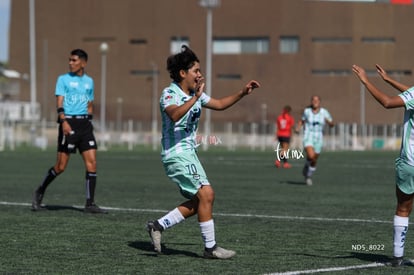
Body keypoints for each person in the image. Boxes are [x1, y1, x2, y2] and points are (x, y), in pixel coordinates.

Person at [146, 45, 260, 259]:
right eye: (195, 70)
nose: (200, 74)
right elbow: (174, 115)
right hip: (176, 154)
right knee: (207, 194)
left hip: (189, 154)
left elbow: (218, 104)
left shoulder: (194, 94)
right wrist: (195, 98)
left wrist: (242, 93)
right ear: (183, 73)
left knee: (201, 201)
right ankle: (210, 249)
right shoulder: (170, 93)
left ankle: (158, 226)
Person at [31, 49, 107, 214]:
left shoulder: (89, 81)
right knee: (60, 166)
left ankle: (90, 203)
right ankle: (39, 190)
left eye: (74, 60)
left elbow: (89, 103)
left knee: (92, 163)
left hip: (85, 125)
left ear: (83, 63)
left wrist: (89, 121)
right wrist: (63, 121)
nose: (70, 63)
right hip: (68, 123)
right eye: (69, 60)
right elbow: (59, 102)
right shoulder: (63, 79)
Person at [353, 64, 414, 267]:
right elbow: (410, 93)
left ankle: (397, 257)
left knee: (403, 208)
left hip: (410, 163)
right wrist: (388, 80)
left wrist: (366, 81)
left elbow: (388, 102)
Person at [296, 95, 334, 186]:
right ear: (311, 101)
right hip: (308, 136)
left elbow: (332, 124)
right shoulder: (307, 111)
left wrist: (329, 122)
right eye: (313, 100)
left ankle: (308, 172)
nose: (315, 101)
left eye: (317, 100)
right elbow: (302, 121)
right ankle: (308, 176)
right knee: (311, 155)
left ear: (319, 102)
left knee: (314, 160)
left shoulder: (324, 112)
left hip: (319, 138)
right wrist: (298, 127)